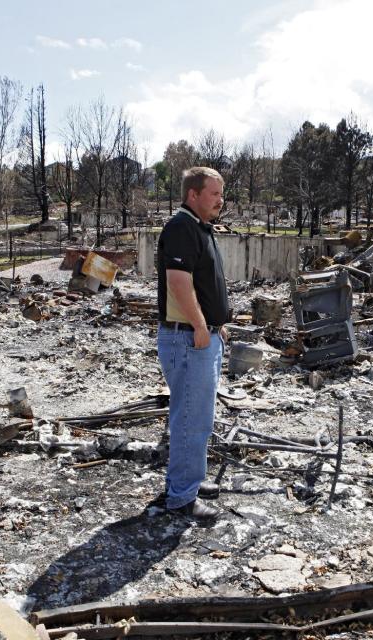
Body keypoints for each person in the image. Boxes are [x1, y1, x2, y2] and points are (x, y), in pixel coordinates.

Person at [156, 167, 229, 520]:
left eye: (220, 193)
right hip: (187, 338)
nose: (220, 200)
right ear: (193, 195)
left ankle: (189, 481)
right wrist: (202, 325)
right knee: (190, 418)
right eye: (214, 194)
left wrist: (216, 325)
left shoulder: (199, 228)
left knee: (199, 417)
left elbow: (203, 285)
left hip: (200, 335)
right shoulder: (181, 227)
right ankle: (181, 497)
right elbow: (179, 283)